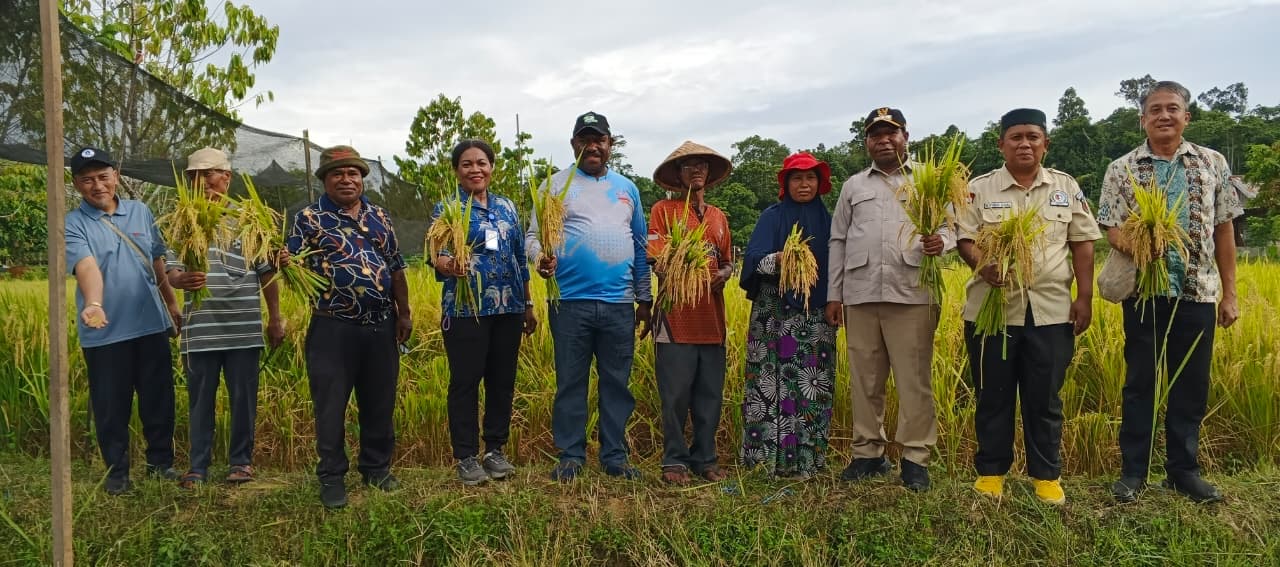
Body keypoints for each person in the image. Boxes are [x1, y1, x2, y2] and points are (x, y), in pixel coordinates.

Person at [1097, 80, 1244, 504]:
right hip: (1143, 294)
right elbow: (1111, 227)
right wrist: (1140, 246)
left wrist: (1229, 295)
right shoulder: (1122, 168)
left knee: (1190, 386)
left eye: (1172, 108)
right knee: (1140, 384)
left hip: (1197, 292)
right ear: (1142, 119)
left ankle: (1183, 471)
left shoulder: (1213, 163)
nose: (1164, 115)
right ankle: (1133, 473)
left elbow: (1224, 230)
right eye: (1155, 109)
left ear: (1186, 117)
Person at [956, 109, 1100, 505]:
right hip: (992, 311)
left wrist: (1084, 297)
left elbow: (1083, 243)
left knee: (1045, 398)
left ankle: (1046, 476)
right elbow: (964, 238)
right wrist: (982, 264)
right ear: (1001, 144)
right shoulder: (979, 189)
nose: (1024, 144)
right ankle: (991, 473)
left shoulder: (1065, 187)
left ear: (1045, 144)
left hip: (1052, 311)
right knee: (992, 395)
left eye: (1032, 137)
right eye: (1015, 137)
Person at [826, 108, 952, 491]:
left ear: (905, 137)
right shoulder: (853, 186)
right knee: (865, 379)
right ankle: (868, 454)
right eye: (875, 134)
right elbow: (838, 239)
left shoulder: (929, 181)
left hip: (911, 293)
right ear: (866, 141)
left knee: (914, 380)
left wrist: (942, 242)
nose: (883, 140)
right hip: (861, 294)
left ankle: (915, 458)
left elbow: (952, 227)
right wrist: (834, 295)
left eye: (890, 133)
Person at [526, 111, 652, 482]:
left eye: (599, 139)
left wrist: (644, 299)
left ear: (611, 144)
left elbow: (640, 245)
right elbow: (532, 237)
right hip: (569, 303)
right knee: (570, 382)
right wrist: (540, 258)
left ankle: (615, 456)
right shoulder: (553, 187)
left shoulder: (627, 189)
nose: (592, 146)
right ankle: (571, 456)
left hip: (619, 304)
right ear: (574, 144)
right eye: (585, 139)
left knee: (617, 383)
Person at [286, 145, 412, 508]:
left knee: (379, 401)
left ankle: (376, 468)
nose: (346, 179)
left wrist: (404, 312)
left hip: (380, 325)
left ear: (361, 178)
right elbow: (292, 265)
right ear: (324, 180)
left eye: (353, 173)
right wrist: (283, 261)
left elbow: (396, 266)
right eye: (337, 174)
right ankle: (332, 476)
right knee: (330, 405)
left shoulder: (379, 216)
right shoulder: (308, 219)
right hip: (332, 328)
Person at [64, 146, 183, 495]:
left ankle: (160, 465)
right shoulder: (72, 223)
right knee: (111, 406)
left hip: (150, 325)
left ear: (116, 176)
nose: (97, 185)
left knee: (158, 400)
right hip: (105, 332)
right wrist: (95, 303)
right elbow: (86, 266)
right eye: (87, 180)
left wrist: (171, 304)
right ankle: (117, 475)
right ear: (76, 184)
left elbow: (156, 260)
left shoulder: (141, 211)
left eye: (103, 177)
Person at [165, 147, 283, 489]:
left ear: (226, 178)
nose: (200, 182)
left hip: (243, 328)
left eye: (207, 174)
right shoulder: (183, 220)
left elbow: (266, 273)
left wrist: (275, 318)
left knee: (243, 399)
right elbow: (171, 271)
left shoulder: (250, 220)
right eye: (193, 176)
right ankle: (197, 466)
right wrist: (180, 280)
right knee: (200, 400)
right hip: (200, 330)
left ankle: (241, 462)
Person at [431, 139, 536, 486]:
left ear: (491, 167)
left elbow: (519, 258)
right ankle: (465, 456)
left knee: (501, 381)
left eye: (481, 163)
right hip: (467, 309)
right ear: (456, 171)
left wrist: (528, 304)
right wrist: (450, 265)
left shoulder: (507, 207)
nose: (475, 169)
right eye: (467, 164)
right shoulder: (447, 208)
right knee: (465, 382)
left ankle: (494, 450)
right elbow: (437, 254)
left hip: (509, 307)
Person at [739, 152, 838, 479]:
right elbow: (752, 261)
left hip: (815, 314)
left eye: (810, 178)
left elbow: (838, 266)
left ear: (820, 183)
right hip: (773, 315)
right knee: (769, 382)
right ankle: (764, 461)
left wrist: (836, 300)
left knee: (812, 383)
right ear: (786, 183)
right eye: (797, 178)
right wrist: (779, 259)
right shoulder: (772, 217)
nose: (804, 184)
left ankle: (807, 461)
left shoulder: (830, 222)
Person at [646, 141, 734, 485]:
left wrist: (723, 274)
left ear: (709, 173)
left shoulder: (718, 217)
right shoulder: (663, 211)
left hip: (711, 319)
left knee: (709, 395)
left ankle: (705, 459)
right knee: (675, 395)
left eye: (702, 165)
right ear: (677, 174)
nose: (696, 170)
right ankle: (674, 461)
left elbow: (727, 262)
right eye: (688, 166)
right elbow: (657, 259)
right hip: (675, 320)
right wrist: (678, 268)